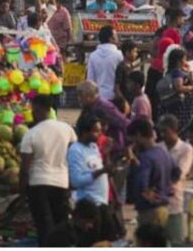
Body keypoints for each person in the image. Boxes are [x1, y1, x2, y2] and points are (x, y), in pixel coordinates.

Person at [20, 94, 78, 246]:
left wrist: (22, 190)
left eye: (32, 109)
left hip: (38, 183)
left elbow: (25, 168)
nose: (31, 113)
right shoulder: (67, 129)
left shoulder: (31, 134)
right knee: (61, 224)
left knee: (44, 226)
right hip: (61, 182)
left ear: (39, 109)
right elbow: (73, 156)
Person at [125, 118, 174, 229]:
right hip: (164, 208)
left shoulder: (145, 158)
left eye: (133, 140)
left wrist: (148, 196)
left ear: (138, 135)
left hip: (149, 211)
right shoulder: (163, 152)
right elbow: (176, 171)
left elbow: (141, 184)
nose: (133, 145)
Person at [157, 114, 193, 246]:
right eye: (160, 131)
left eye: (164, 131)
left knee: (176, 242)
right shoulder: (158, 148)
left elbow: (180, 173)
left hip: (175, 203)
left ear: (174, 130)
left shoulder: (186, 149)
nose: (162, 134)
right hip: (157, 204)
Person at [67, 114, 111, 207]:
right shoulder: (75, 150)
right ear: (85, 132)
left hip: (102, 201)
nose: (100, 134)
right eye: (96, 131)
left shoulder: (93, 147)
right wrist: (100, 172)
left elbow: (105, 170)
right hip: (89, 203)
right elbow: (76, 181)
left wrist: (107, 154)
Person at [45, 197, 121, 247]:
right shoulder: (60, 234)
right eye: (88, 222)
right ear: (77, 217)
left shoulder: (86, 232)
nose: (90, 226)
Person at [87, 26, 123, 101]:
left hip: (99, 96)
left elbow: (90, 79)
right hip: (116, 96)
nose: (117, 38)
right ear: (110, 38)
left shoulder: (93, 56)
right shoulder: (119, 55)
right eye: (115, 36)